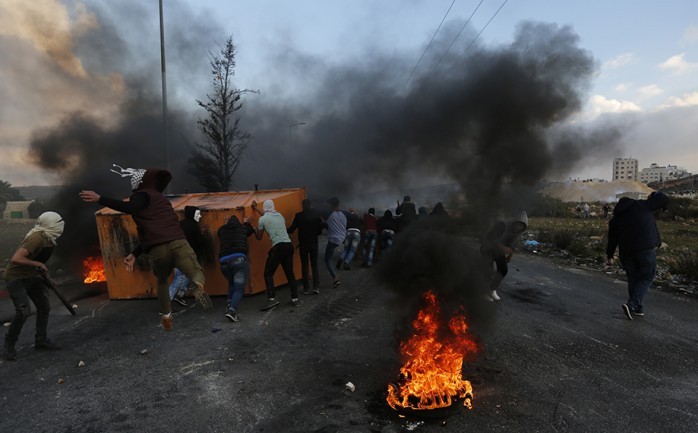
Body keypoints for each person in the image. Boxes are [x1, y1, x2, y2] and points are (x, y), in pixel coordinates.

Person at [80, 166, 212, 331]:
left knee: (162, 280)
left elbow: (130, 209)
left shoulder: (142, 195)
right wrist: (134, 254)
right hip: (178, 242)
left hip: (157, 247)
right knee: (195, 271)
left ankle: (166, 315)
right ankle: (197, 286)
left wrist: (100, 199)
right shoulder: (162, 200)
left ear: (139, 183)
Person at [3, 212, 65, 361]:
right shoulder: (36, 238)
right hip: (16, 278)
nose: (61, 224)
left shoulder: (50, 238)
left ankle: (41, 341)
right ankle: (9, 345)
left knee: (44, 307)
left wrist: (48, 278)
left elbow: (40, 261)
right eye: (58, 221)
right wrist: (37, 264)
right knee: (23, 311)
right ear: (50, 224)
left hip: (33, 277)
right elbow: (16, 258)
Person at [606, 191, 669, 320]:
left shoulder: (615, 219)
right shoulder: (641, 205)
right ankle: (632, 304)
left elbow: (612, 240)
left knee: (634, 279)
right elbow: (664, 198)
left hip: (627, 253)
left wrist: (610, 255)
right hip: (645, 249)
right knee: (646, 277)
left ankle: (638, 308)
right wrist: (654, 194)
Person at [251, 199, 300, 310]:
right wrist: (256, 208)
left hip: (278, 247)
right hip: (288, 246)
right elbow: (267, 216)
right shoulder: (279, 216)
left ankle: (272, 299)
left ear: (264, 208)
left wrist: (253, 228)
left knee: (268, 273)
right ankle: (295, 298)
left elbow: (259, 237)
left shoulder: (262, 220)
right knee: (290, 273)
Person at [480, 211, 528, 302]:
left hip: (498, 251)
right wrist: (503, 247)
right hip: (487, 248)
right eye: (518, 224)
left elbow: (512, 246)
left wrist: (510, 255)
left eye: (522, 226)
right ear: (515, 221)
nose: (519, 227)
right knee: (488, 271)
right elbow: (490, 238)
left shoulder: (517, 232)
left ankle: (491, 289)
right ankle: (482, 293)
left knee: (503, 270)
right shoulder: (502, 225)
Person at [217, 215, 255, 322]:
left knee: (231, 283)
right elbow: (250, 231)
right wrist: (246, 222)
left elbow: (220, 232)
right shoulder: (242, 228)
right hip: (239, 260)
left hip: (224, 262)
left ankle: (229, 304)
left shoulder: (222, 230)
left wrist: (225, 224)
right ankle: (232, 311)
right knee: (239, 288)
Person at [169, 206, 209, 307]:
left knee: (185, 277)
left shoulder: (180, 224)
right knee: (180, 278)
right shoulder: (193, 226)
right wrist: (203, 234)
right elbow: (200, 242)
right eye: (198, 214)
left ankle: (179, 295)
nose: (199, 216)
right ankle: (166, 303)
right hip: (186, 257)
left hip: (176, 255)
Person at [287, 199, 325, 295]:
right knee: (314, 265)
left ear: (302, 206)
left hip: (303, 244)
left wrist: (281, 229)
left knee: (304, 265)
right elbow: (321, 229)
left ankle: (306, 288)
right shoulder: (317, 215)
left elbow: (291, 229)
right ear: (311, 205)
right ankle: (316, 287)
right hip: (314, 243)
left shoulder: (299, 216)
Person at [324, 196, 347, 288]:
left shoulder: (329, 214)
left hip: (333, 239)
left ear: (330, 205)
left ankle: (335, 279)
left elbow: (326, 224)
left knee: (327, 259)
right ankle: (342, 258)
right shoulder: (343, 214)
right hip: (341, 239)